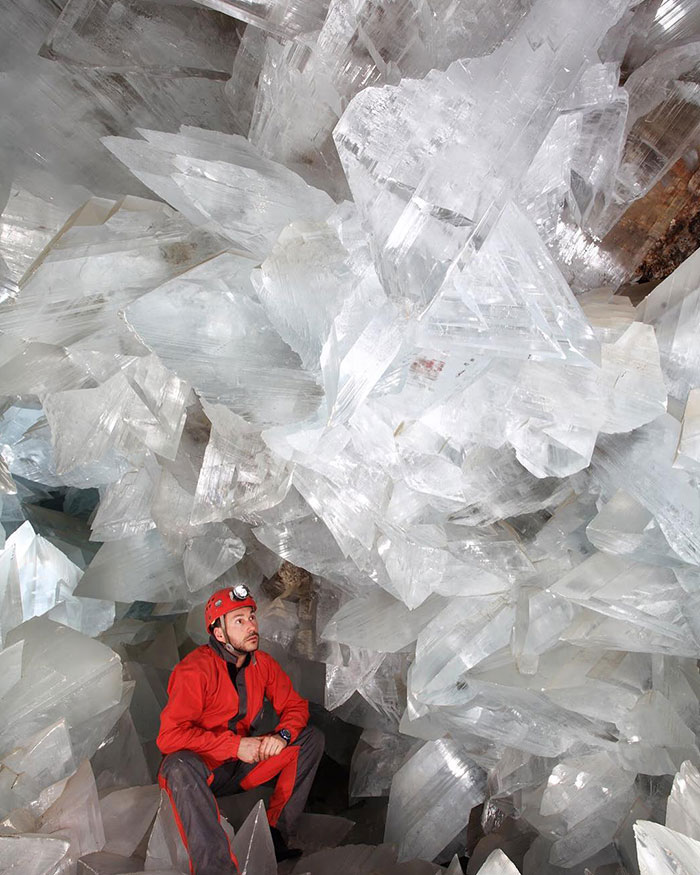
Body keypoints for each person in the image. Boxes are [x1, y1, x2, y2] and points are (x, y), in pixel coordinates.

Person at [157, 583, 325, 874]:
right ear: (219, 633)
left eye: (251, 617)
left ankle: (275, 836)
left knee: (311, 738)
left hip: (243, 766)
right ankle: (216, 869)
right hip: (203, 773)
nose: (251, 626)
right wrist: (234, 746)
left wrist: (283, 736)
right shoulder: (194, 671)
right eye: (239, 620)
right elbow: (169, 738)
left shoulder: (264, 665)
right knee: (177, 765)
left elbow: (295, 707)